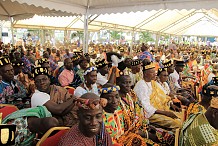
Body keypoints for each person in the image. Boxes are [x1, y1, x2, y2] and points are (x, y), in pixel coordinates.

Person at [134, 60, 182, 129]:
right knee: (177, 123)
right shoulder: (141, 85)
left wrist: (171, 104)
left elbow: (165, 95)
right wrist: (165, 113)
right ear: (145, 74)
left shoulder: (153, 83)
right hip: (148, 115)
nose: (155, 74)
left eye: (155, 72)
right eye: (152, 72)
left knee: (180, 116)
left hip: (159, 110)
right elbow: (146, 107)